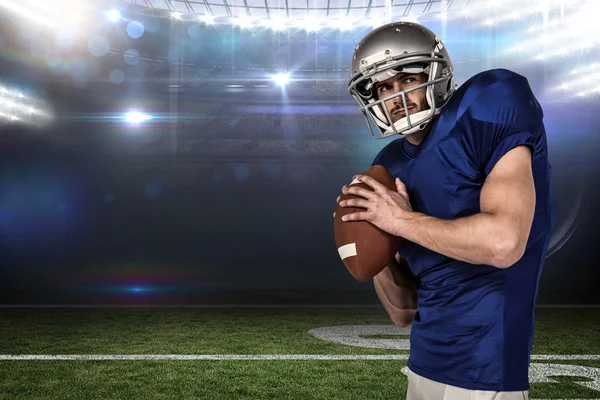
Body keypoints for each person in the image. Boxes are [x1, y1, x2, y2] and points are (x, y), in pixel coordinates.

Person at [335, 21, 557, 399]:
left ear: (437, 75)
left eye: (406, 78)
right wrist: (376, 246)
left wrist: (399, 220)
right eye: (384, 87)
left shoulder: (489, 102)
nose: (397, 96)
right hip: (423, 364)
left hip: (487, 372)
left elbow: (505, 242)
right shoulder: (389, 166)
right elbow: (403, 313)